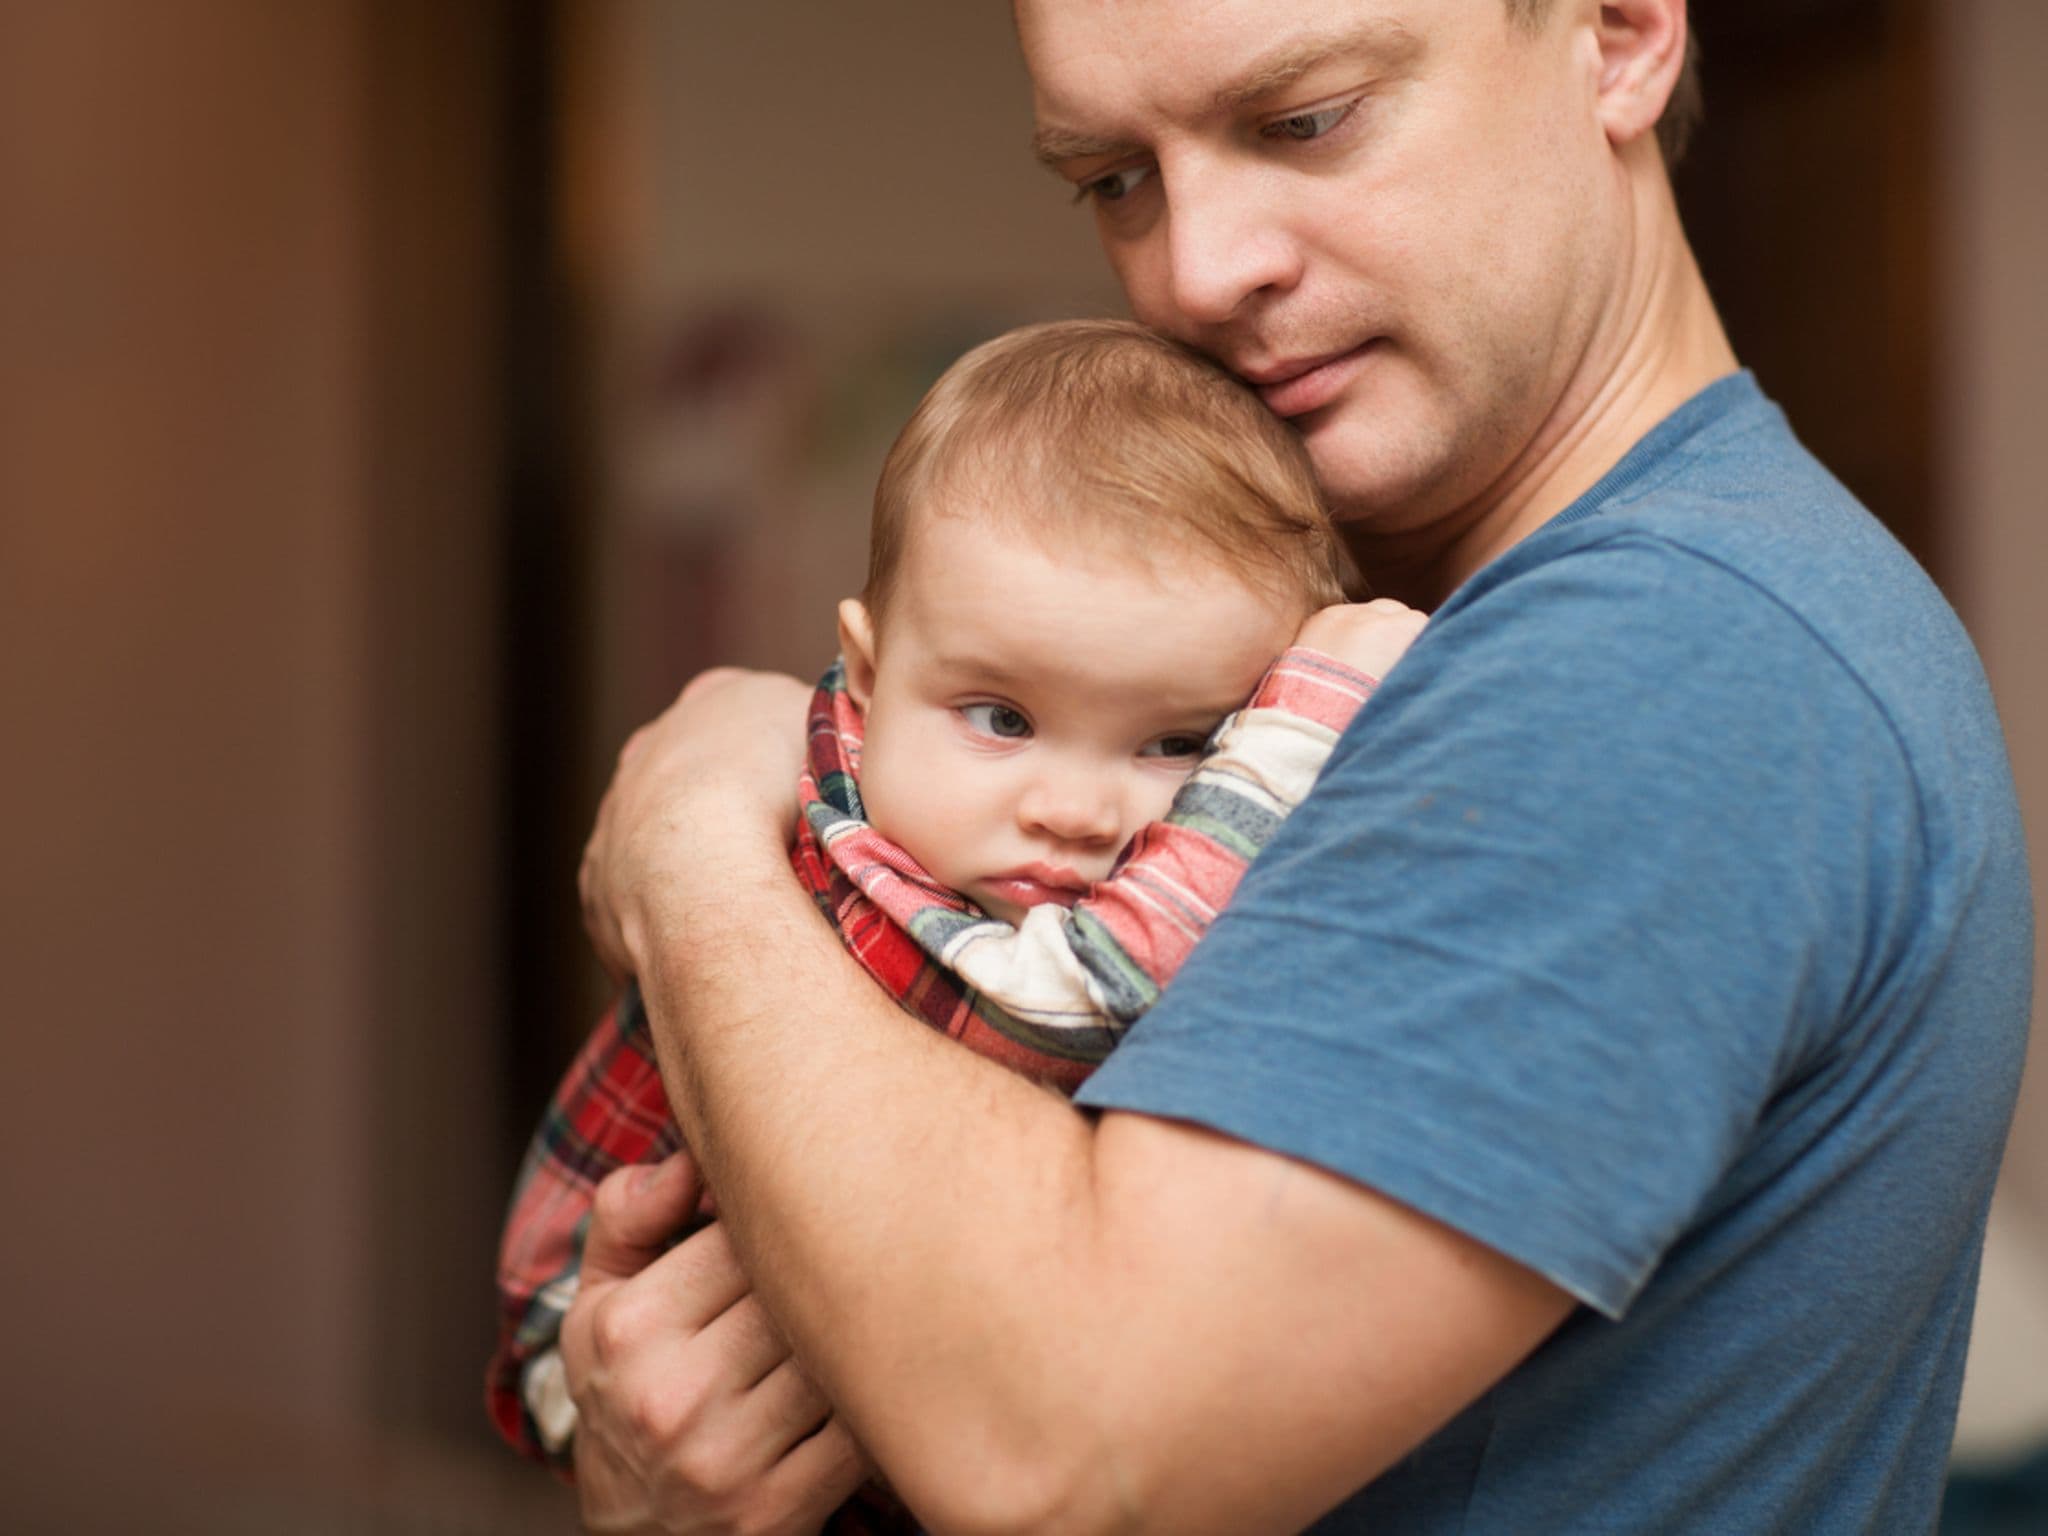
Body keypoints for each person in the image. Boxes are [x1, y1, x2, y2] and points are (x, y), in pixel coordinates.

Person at [561, 1, 2034, 1531]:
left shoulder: (1668, 654)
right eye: (1116, 177)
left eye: (1306, 119)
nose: (1198, 271)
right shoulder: (1370, 650)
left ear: (1618, 31)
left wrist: (695, 851)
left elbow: (1071, 1451)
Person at [487, 321, 1420, 1516]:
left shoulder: (951, 819)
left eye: (1179, 740)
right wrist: (1305, 719)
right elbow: (1051, 1007)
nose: (1075, 810)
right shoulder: (847, 858)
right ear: (866, 684)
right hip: (607, 1345)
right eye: (1000, 718)